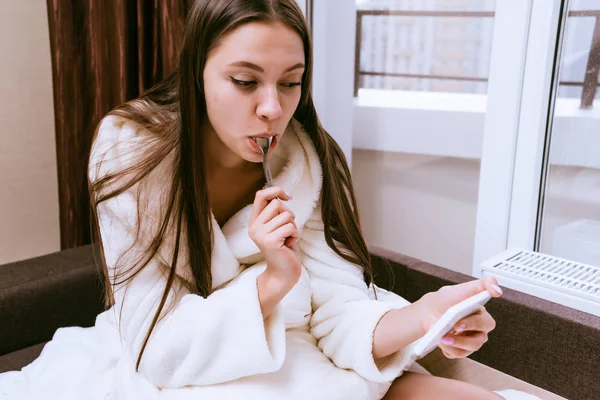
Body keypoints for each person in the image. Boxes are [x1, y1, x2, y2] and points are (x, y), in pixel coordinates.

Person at [0, 1, 540, 399]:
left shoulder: (308, 160)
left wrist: (423, 318)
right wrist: (270, 282)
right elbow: (156, 347)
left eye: (291, 83)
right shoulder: (132, 152)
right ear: (197, 75)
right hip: (182, 363)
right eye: (244, 81)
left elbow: (337, 312)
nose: (272, 109)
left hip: (299, 354)